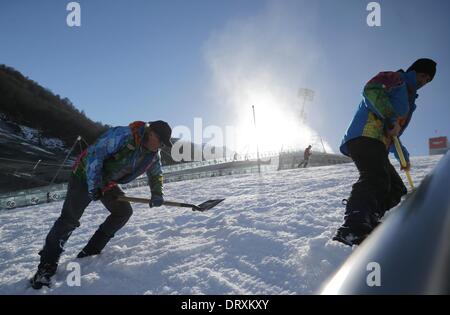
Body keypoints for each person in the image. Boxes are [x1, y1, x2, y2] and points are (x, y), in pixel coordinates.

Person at [30, 120, 173, 289]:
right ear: (151, 133)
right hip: (84, 175)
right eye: (161, 141)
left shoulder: (152, 155)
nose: (161, 147)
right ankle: (46, 266)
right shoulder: (123, 135)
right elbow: (95, 156)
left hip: (106, 182)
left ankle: (89, 253)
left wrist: (157, 194)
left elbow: (156, 174)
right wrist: (94, 185)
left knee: (123, 212)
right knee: (69, 219)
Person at [333, 58, 437, 246]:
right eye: (423, 75)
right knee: (375, 177)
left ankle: (369, 216)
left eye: (428, 80)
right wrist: (390, 118)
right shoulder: (396, 78)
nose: (424, 82)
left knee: (397, 188)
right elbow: (371, 90)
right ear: (414, 71)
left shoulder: (409, 99)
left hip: (379, 143)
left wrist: (401, 153)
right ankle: (353, 226)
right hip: (364, 134)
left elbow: (393, 132)